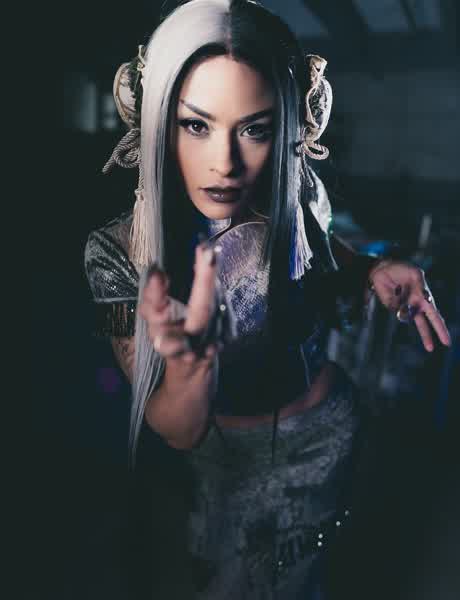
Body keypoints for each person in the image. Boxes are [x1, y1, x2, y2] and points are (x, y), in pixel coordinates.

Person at [84, 1, 451, 598]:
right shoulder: (118, 251)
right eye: (196, 125)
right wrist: (190, 368)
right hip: (224, 468)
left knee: (308, 581)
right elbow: (176, 428)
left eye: (254, 128)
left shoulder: (296, 186)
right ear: (157, 123)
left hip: (330, 428)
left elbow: (319, 248)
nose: (225, 163)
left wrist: (369, 269)